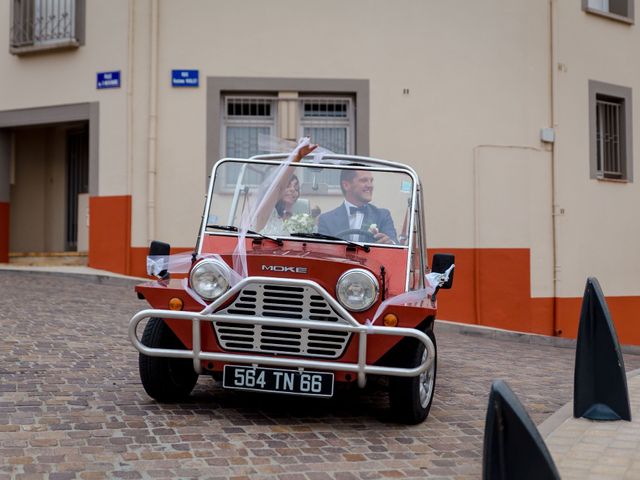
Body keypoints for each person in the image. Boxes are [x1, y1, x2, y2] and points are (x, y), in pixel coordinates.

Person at [251, 141, 318, 235]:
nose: (293, 190)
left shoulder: (302, 220)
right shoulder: (265, 213)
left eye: (296, 188)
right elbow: (278, 187)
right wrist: (297, 158)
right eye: (288, 186)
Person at [318, 168, 397, 244]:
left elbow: (396, 246)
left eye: (371, 181)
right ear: (346, 185)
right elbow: (322, 252)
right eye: (364, 180)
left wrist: (390, 243)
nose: (370, 185)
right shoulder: (326, 220)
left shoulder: (383, 216)